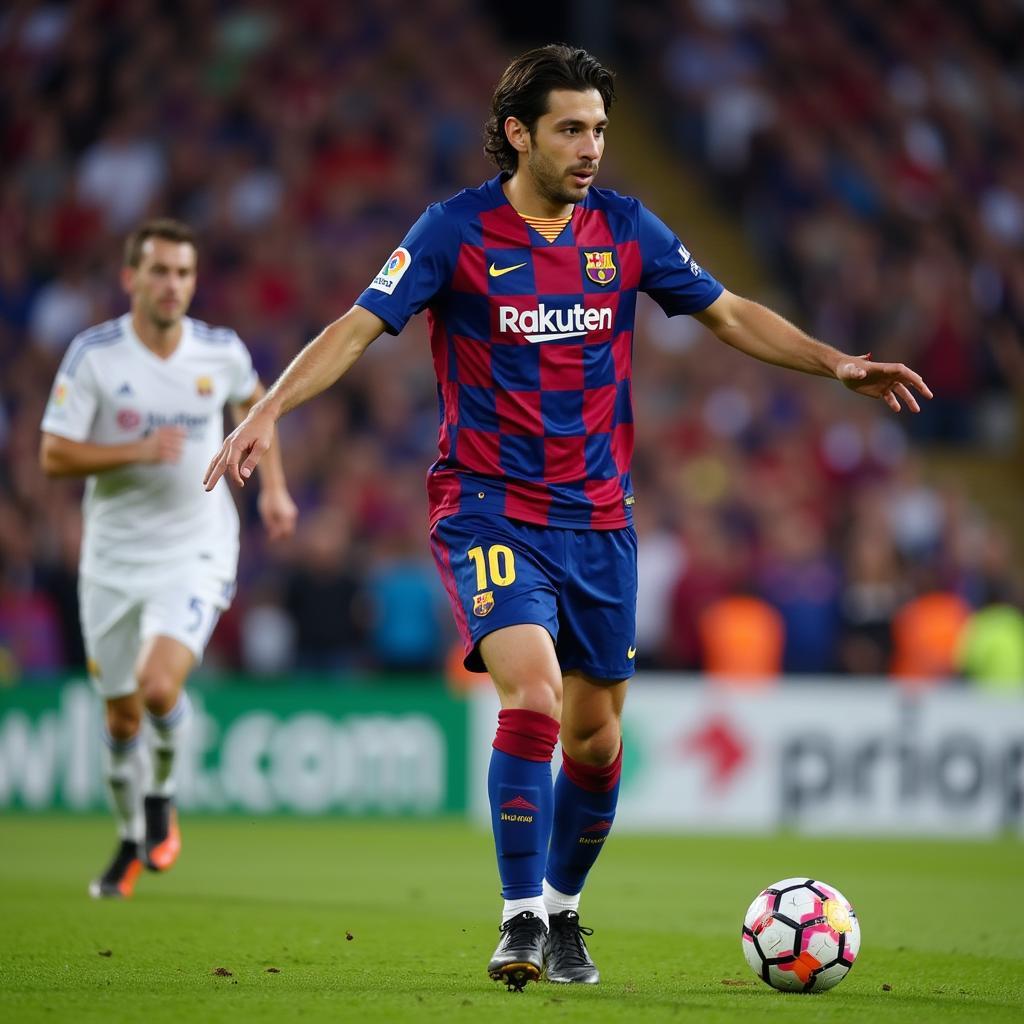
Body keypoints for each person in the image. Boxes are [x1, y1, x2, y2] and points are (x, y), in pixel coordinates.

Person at [204, 45, 931, 989]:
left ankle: (562, 910)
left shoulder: (624, 229)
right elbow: (356, 325)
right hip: (488, 507)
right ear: (519, 133)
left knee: (596, 740)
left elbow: (727, 311)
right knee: (534, 697)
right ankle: (516, 922)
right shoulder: (452, 231)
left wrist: (835, 363)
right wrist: (268, 408)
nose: (590, 148)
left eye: (598, 129)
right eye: (570, 129)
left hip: (599, 523)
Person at [40, 218, 297, 899]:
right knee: (121, 716)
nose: (172, 284)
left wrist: (274, 489)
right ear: (131, 279)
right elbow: (53, 453)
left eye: (183, 272)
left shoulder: (220, 352)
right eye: (158, 271)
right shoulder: (95, 357)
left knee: (160, 688)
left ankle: (164, 797)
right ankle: (128, 839)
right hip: (112, 563)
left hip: (196, 548)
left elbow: (258, 410)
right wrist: (132, 450)